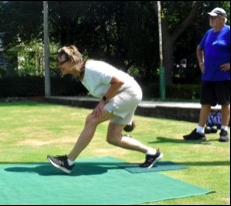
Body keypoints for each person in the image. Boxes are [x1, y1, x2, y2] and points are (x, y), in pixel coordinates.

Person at [47, 45, 163, 174]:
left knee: (91, 119)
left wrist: (103, 102)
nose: (59, 66)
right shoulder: (82, 75)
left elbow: (118, 82)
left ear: (72, 61)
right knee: (113, 138)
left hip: (128, 92)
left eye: (61, 62)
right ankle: (152, 153)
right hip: (126, 95)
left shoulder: (91, 68)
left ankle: (68, 162)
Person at [183, 7, 230, 142]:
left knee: (225, 103)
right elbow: (199, 48)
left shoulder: (228, 31)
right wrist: (201, 63)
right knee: (205, 103)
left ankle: (224, 131)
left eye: (214, 17)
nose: (211, 19)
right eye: (210, 17)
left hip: (224, 76)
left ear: (222, 19)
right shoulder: (208, 33)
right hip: (208, 76)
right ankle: (200, 131)